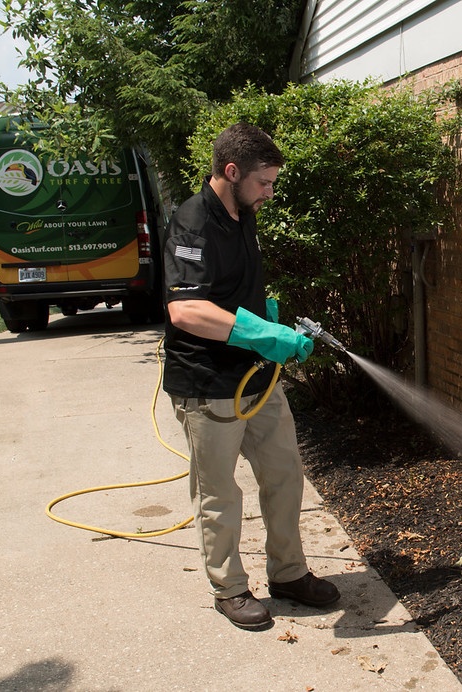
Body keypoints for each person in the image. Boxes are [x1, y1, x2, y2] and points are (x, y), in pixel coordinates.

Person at [162, 122, 340, 630]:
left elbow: (230, 289)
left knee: (285, 474)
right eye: (265, 182)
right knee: (220, 493)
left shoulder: (243, 214)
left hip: (257, 379)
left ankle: (288, 574)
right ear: (232, 171)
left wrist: (266, 316)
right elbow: (187, 311)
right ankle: (230, 588)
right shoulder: (193, 223)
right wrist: (262, 333)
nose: (270, 192)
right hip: (207, 383)